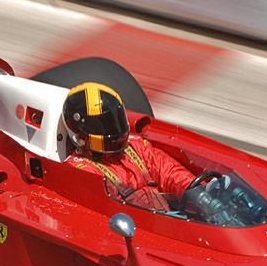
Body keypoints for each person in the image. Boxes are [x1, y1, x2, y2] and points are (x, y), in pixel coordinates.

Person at [63, 82, 194, 210]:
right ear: (79, 129)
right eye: (104, 124)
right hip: (138, 227)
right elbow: (110, 210)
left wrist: (198, 194)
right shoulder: (81, 171)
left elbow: (169, 171)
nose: (113, 129)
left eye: (115, 120)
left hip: (170, 221)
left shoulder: (136, 147)